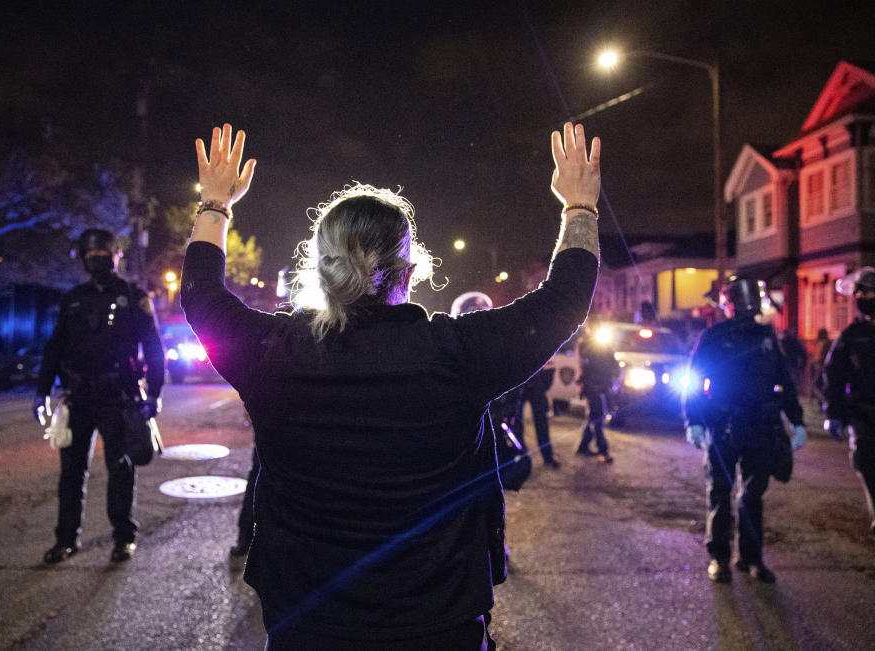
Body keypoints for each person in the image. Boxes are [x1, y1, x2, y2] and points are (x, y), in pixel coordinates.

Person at [180, 123, 600, 648]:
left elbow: (200, 297)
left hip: (307, 621)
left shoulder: (276, 352)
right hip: (438, 621)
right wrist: (579, 208)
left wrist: (215, 205)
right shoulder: (456, 353)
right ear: (409, 267)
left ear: (321, 269)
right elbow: (563, 302)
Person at [34, 229, 164, 564]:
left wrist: (155, 393)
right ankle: (66, 539)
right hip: (78, 399)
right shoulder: (73, 300)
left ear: (115, 256)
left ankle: (123, 538)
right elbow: (54, 348)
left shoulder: (134, 298)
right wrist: (42, 392)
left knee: (121, 469)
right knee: (71, 473)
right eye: (90, 254)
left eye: (103, 253)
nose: (97, 259)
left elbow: (154, 349)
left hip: (118, 399)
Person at [684, 276, 806, 584]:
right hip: (723, 425)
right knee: (720, 495)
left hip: (760, 425)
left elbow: (784, 381)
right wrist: (695, 420)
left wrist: (797, 419)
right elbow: (695, 381)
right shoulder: (714, 336)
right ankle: (720, 559)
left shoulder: (766, 336)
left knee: (753, 495)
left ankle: (751, 559)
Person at [823, 267, 875, 536]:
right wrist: (834, 414)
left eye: (868, 292)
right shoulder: (852, 336)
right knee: (866, 463)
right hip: (864, 413)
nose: (863, 297)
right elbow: (833, 375)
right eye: (859, 293)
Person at [575, 329, 618, 463]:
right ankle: (603, 449)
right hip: (593, 387)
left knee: (594, 416)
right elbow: (586, 367)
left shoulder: (604, 347)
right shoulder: (586, 346)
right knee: (598, 416)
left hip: (601, 386)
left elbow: (612, 364)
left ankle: (583, 446)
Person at [511, 368, 561, 468]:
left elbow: (549, 366)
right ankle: (519, 456)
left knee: (539, 424)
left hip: (532, 383)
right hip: (526, 383)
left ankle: (545, 456)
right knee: (517, 423)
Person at [779, 327, 808, 394]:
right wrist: (803, 364)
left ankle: (782, 393)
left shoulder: (781, 343)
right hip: (792, 364)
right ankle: (792, 393)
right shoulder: (793, 342)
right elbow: (802, 354)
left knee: (781, 382)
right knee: (793, 381)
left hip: (786, 365)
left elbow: (802, 354)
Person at [811, 327, 832, 408]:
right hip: (825, 368)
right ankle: (823, 402)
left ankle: (824, 402)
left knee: (816, 386)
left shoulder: (823, 343)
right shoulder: (828, 343)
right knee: (823, 386)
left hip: (822, 368)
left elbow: (820, 357)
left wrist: (813, 361)